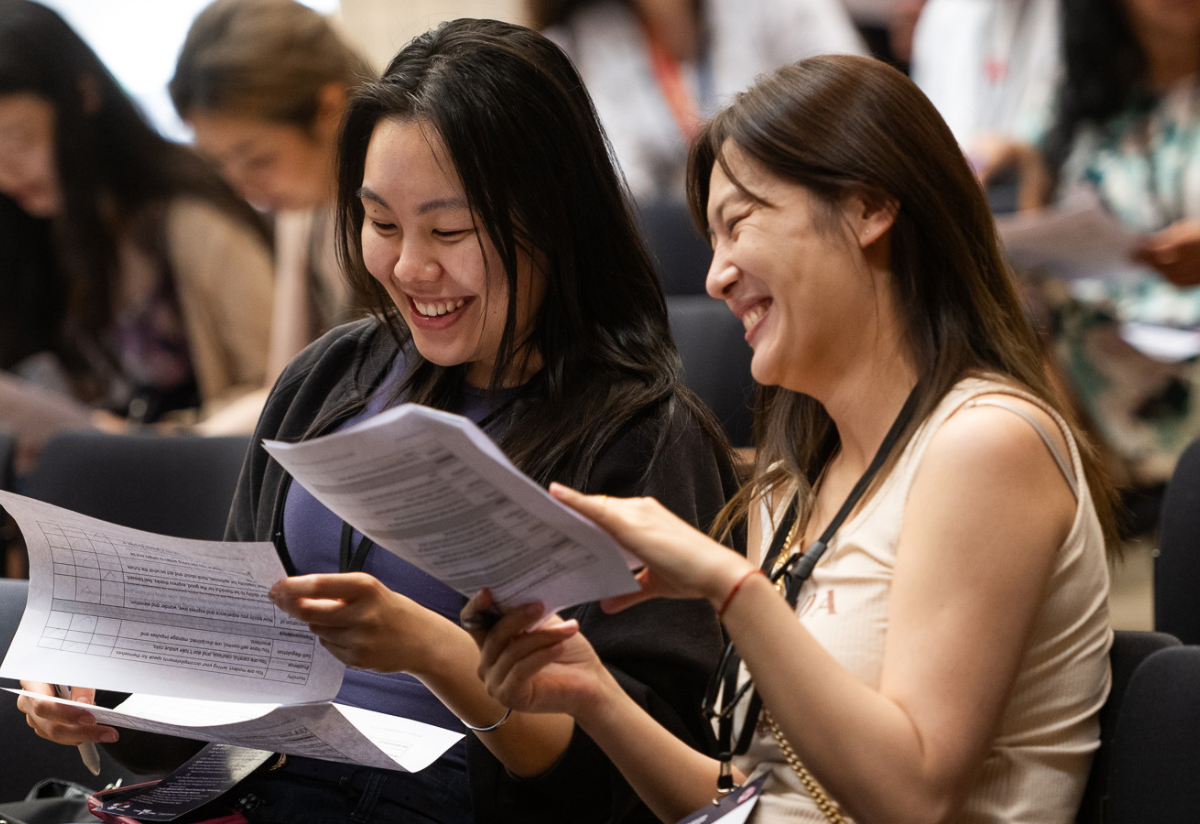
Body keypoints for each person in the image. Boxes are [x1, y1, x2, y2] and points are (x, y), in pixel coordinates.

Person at [17, 18, 739, 824]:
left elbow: (643, 790)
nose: (408, 267)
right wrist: (116, 703)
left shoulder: (642, 440)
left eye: (450, 231)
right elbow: (232, 674)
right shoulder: (333, 377)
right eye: (382, 224)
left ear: (555, 219)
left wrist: (439, 655)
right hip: (258, 791)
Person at [466, 53, 1116, 824]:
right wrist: (594, 695)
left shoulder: (985, 442)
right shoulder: (791, 486)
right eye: (710, 240)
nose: (714, 276)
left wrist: (731, 588)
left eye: (739, 223)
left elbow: (914, 799)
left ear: (871, 206)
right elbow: (759, 800)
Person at [0, 0, 274, 441]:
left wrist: (156, 441)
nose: (6, 173)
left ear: (84, 96)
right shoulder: (35, 232)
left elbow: (281, 386)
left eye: (18, 141)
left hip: (198, 481)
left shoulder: (191, 219)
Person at [978, 0, 1200, 492]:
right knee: (999, 305)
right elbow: (1030, 160)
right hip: (1084, 339)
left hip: (1185, 342)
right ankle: (1079, 501)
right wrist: (1003, 156)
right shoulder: (1080, 87)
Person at [170, 0, 375, 384]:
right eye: (219, 164)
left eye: (258, 159)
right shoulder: (302, 212)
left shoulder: (399, 205)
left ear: (328, 108)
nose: (242, 187)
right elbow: (286, 386)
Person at [528, 0, 864, 202]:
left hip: (795, 199)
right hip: (673, 247)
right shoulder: (581, 36)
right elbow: (618, 184)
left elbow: (856, 100)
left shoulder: (773, 7)